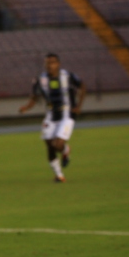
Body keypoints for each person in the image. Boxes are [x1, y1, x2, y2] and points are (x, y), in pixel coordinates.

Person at [19, 53, 85, 183]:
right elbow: (35, 96)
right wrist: (27, 107)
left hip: (67, 114)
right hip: (51, 114)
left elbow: (83, 86)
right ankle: (59, 175)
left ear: (58, 64)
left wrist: (78, 106)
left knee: (57, 144)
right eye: (47, 63)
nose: (50, 65)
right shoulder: (40, 79)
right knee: (49, 145)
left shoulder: (68, 76)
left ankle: (65, 149)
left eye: (53, 62)